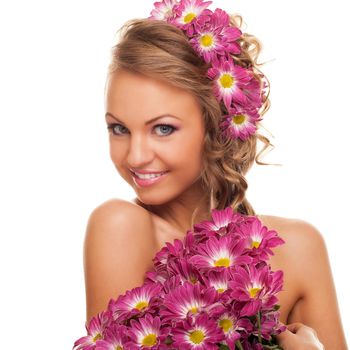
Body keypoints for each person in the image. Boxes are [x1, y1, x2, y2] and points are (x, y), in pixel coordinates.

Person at [82, 1, 348, 348]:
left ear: (217, 125)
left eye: (163, 129)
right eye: (119, 128)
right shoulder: (119, 226)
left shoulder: (300, 247)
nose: (135, 155)